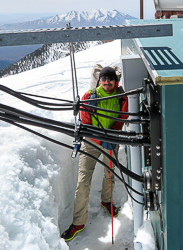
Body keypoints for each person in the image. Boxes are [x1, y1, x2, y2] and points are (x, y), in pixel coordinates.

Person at [61, 66, 128, 241]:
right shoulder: (89, 97)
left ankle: (107, 201)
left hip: (110, 140)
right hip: (92, 142)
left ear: (115, 81)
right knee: (83, 181)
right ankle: (78, 222)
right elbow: (86, 121)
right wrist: (100, 139)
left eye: (110, 79)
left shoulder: (121, 97)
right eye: (104, 79)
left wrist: (112, 134)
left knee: (110, 174)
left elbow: (122, 118)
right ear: (99, 80)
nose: (107, 82)